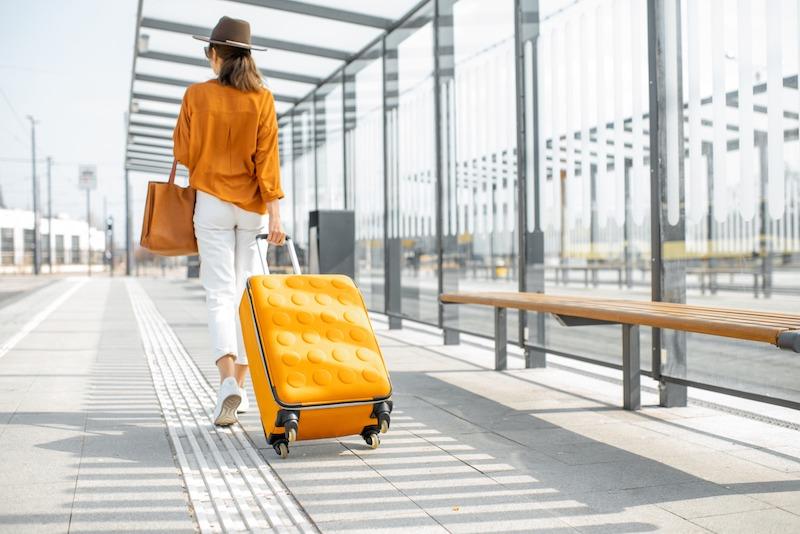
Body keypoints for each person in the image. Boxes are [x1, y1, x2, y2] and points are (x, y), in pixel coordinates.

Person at [173, 16, 286, 426]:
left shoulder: (195, 95)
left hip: (212, 205)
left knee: (219, 294)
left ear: (216, 54)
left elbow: (183, 153)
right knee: (250, 296)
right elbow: (267, 161)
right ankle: (241, 381)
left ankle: (227, 384)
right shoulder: (263, 98)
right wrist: (274, 212)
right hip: (254, 207)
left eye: (208, 51)